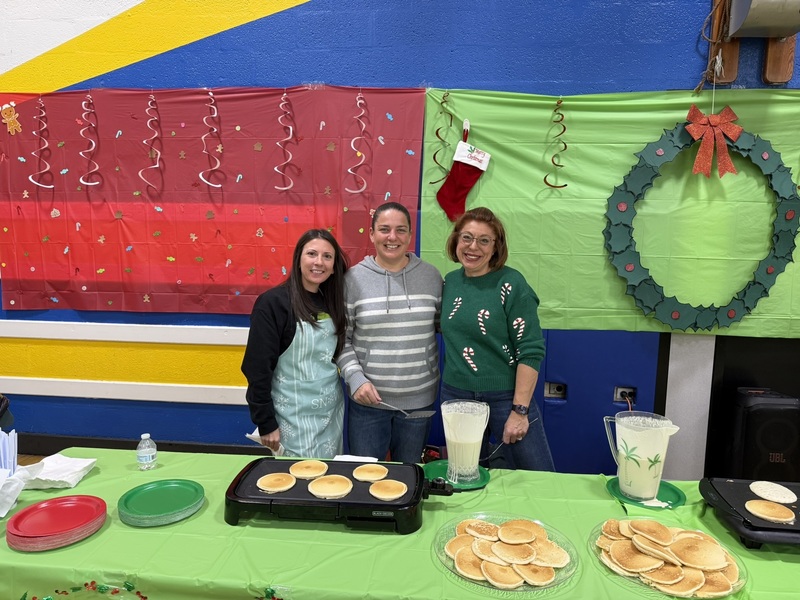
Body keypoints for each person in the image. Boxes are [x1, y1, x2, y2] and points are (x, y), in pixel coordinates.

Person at [439, 206, 555, 471]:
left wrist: (520, 410)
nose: (473, 247)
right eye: (466, 237)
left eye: (484, 240)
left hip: (507, 397)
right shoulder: (450, 282)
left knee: (538, 477)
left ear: (495, 247)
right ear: (456, 240)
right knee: (465, 477)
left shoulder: (512, 284)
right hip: (457, 395)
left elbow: (531, 350)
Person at [337, 202, 443, 463]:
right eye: (384, 229)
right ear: (372, 234)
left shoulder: (431, 277)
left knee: (409, 477)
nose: (392, 237)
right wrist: (356, 379)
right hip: (369, 404)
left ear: (409, 235)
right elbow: (341, 339)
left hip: (419, 403)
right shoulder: (352, 280)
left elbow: (445, 326)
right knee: (364, 478)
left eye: (400, 230)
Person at [241, 229, 348, 459]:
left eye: (327, 256)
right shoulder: (273, 303)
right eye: (312, 254)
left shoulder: (334, 302)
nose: (319, 262)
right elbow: (256, 368)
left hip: (330, 416)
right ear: (298, 258)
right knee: (295, 482)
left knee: (329, 480)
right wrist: (266, 421)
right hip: (291, 417)